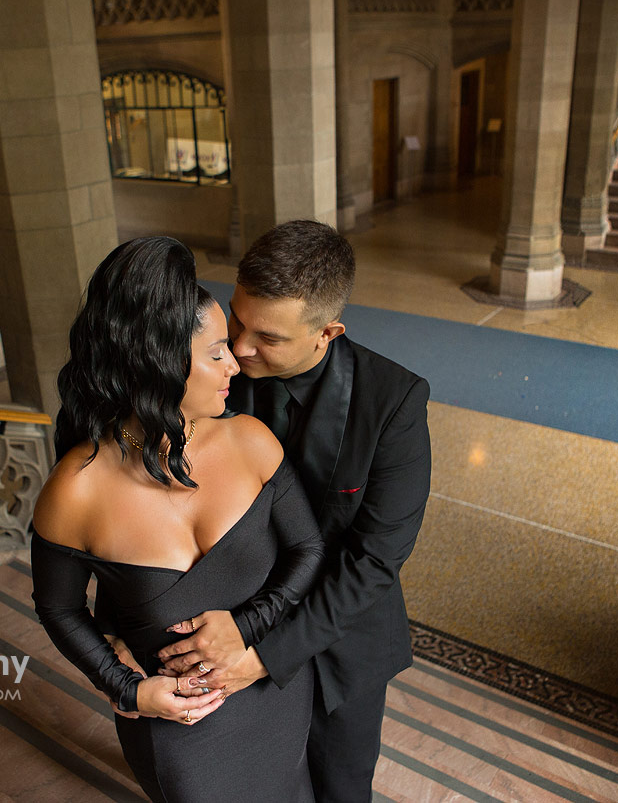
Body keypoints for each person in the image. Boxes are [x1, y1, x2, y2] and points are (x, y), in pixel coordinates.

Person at [30, 236, 325, 802]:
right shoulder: (76, 489)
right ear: (161, 362)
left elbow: (306, 551)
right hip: (179, 728)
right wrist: (127, 691)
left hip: (276, 695)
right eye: (216, 353)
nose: (235, 363)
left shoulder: (251, 441)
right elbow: (58, 606)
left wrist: (249, 627)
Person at [155, 220, 432, 802]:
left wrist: (261, 654)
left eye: (269, 338)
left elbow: (374, 562)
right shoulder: (212, 372)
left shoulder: (395, 401)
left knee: (339, 788)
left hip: (337, 639)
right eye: (238, 320)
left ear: (327, 331)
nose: (240, 348)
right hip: (226, 620)